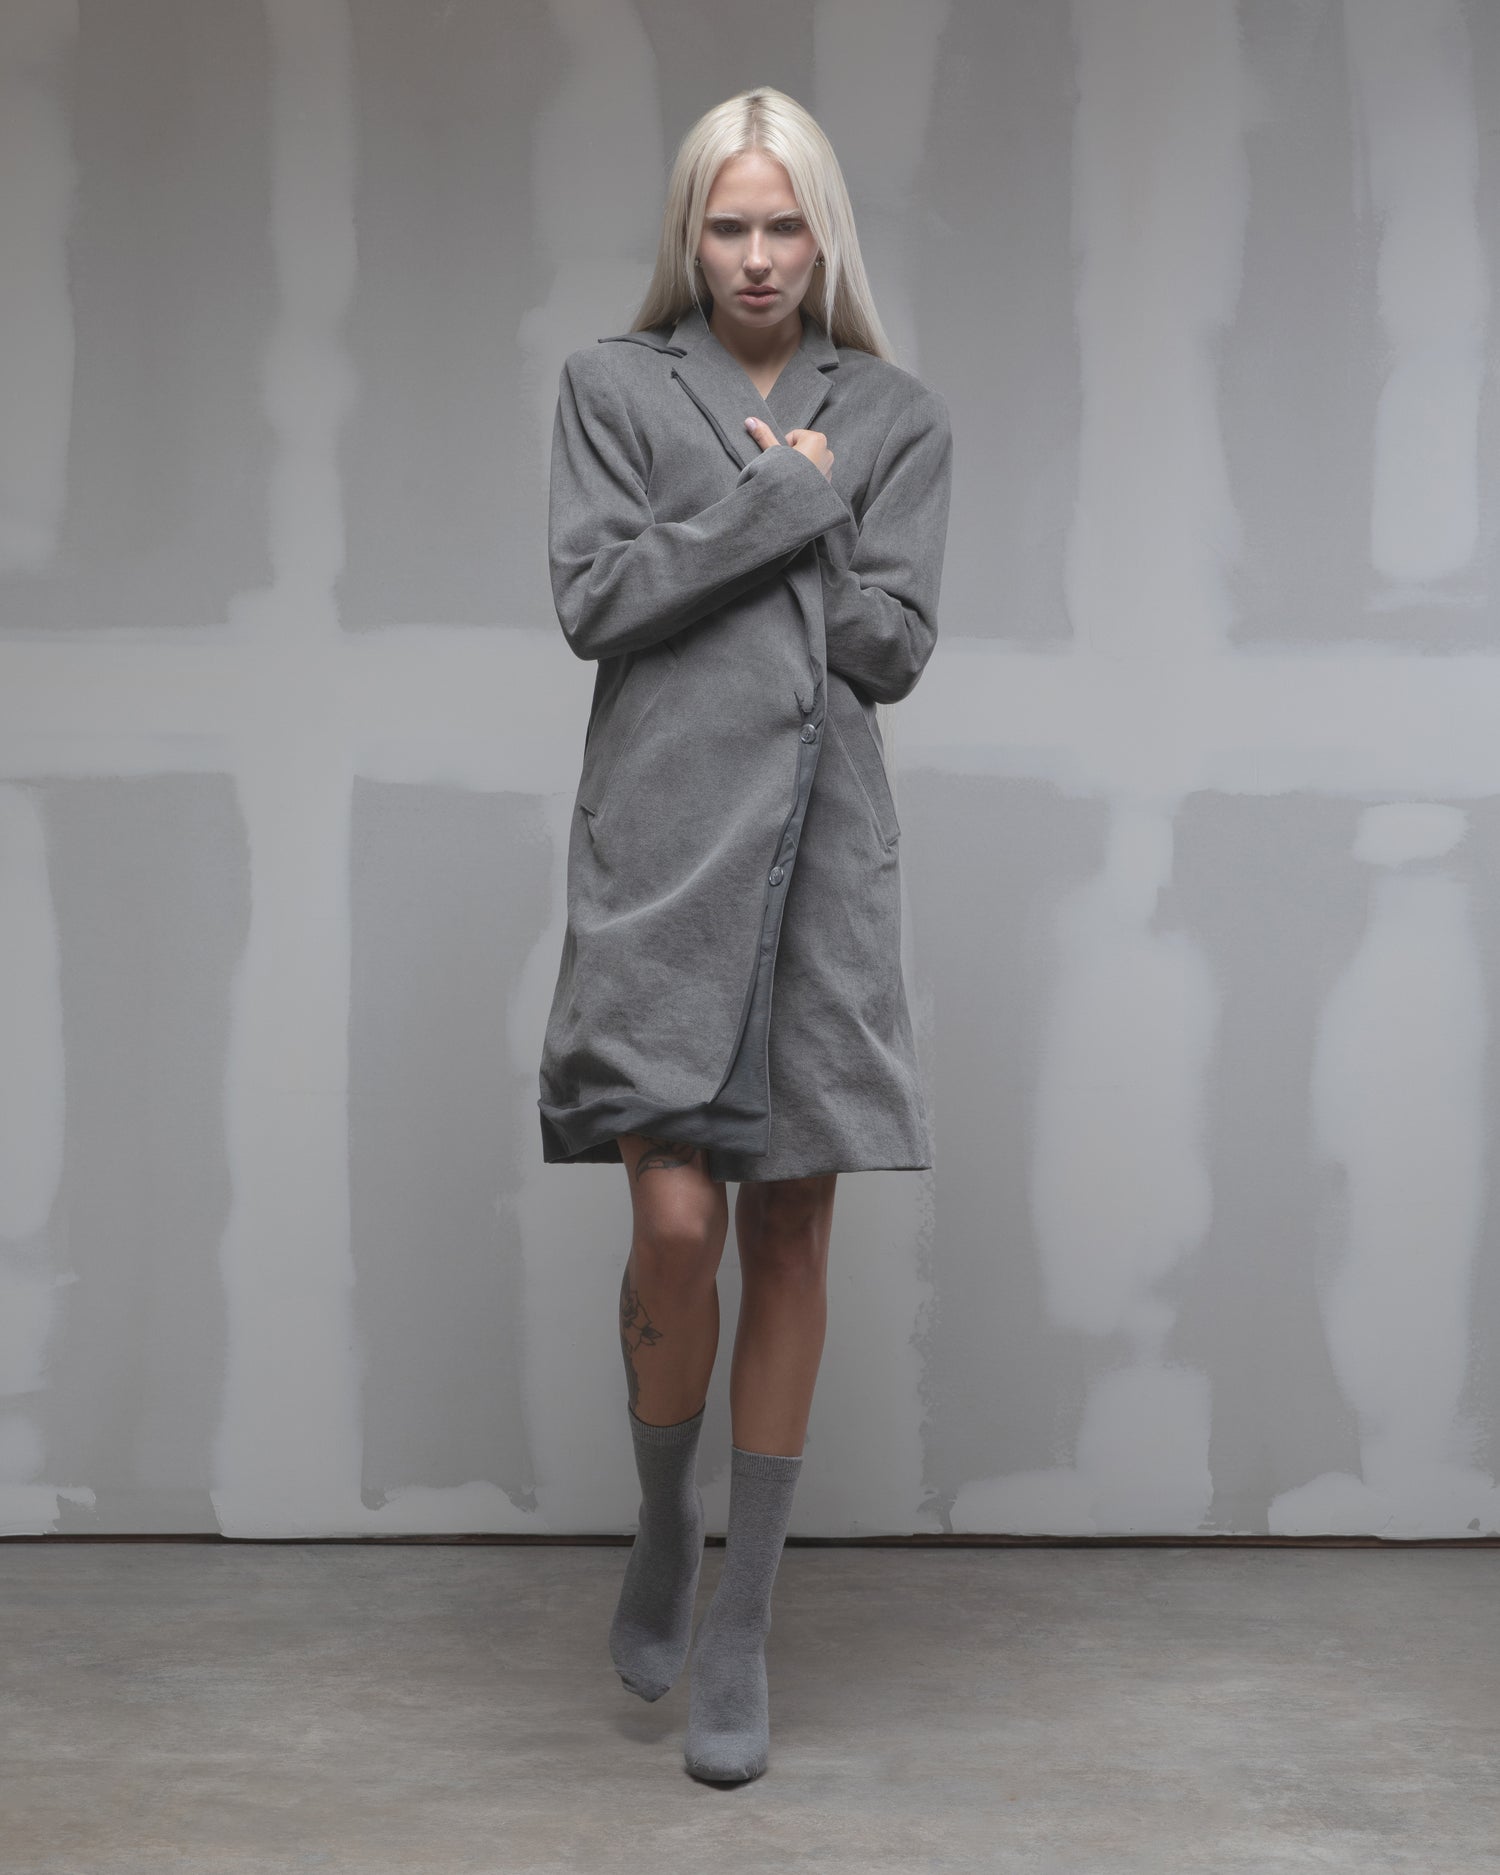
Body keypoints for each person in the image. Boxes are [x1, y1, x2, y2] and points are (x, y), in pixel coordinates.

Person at [538, 85, 954, 1784]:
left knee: (790, 1231)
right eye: (729, 226)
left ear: (823, 235)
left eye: (786, 225)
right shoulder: (614, 389)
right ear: (688, 236)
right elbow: (595, 600)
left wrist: (804, 519)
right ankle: (664, 1517)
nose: (760, 257)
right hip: (662, 853)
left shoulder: (896, 414)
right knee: (672, 1219)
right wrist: (785, 511)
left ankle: (743, 1620)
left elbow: (894, 648)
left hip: (827, 859)